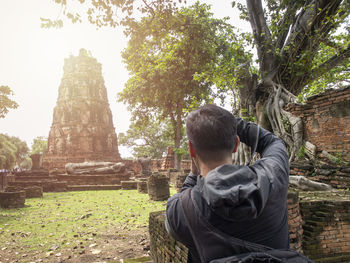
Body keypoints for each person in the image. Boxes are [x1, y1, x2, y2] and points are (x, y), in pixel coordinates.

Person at [165, 104, 290, 263]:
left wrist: (193, 174)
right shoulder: (274, 175)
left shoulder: (180, 210)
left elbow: (182, 199)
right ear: (236, 144)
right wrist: (230, 125)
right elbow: (273, 142)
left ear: (191, 150)